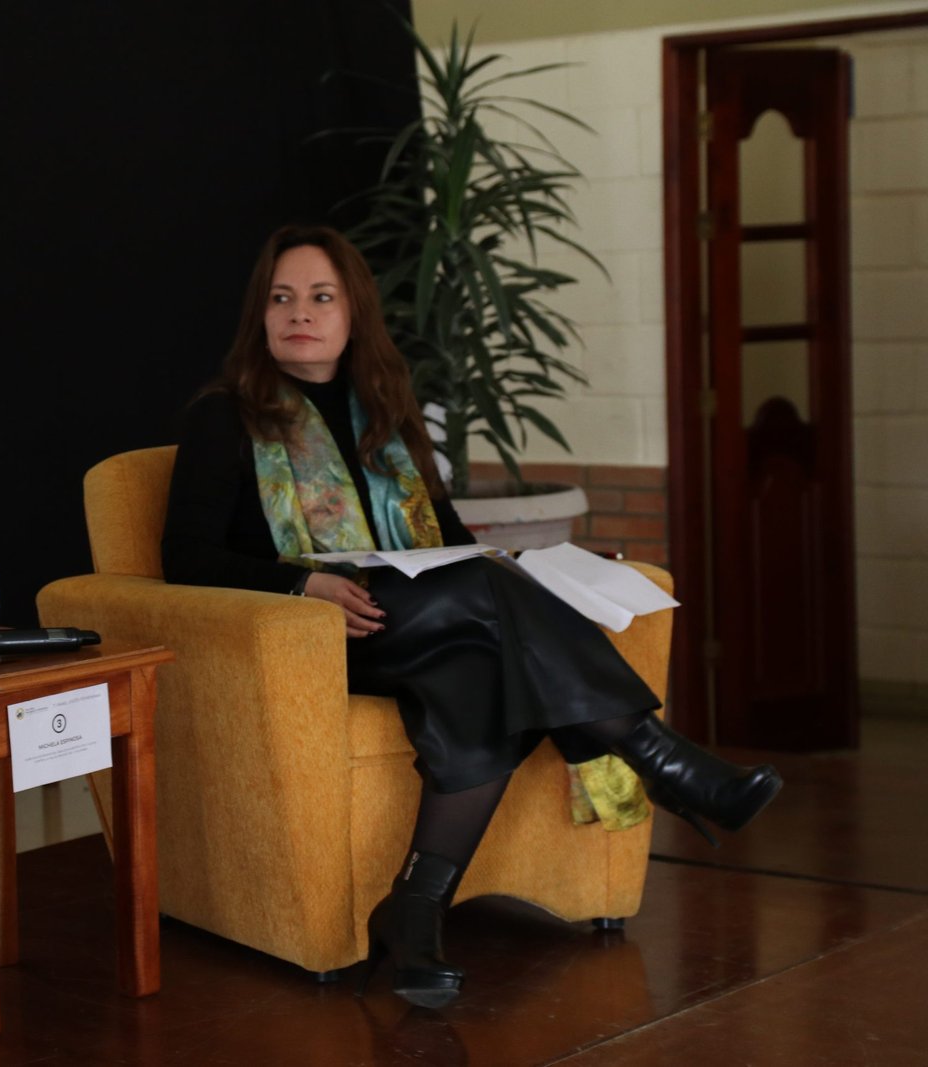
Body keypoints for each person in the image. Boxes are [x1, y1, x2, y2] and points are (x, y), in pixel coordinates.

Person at [160, 224, 783, 1009]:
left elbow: (449, 541)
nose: (300, 313)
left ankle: (415, 910)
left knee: (478, 671)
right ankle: (658, 756)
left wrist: (519, 568)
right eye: (281, 298)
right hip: (319, 638)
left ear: (354, 314)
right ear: (261, 314)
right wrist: (303, 584)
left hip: (418, 623)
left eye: (321, 297)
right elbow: (183, 557)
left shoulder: (386, 412)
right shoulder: (225, 417)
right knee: (487, 597)